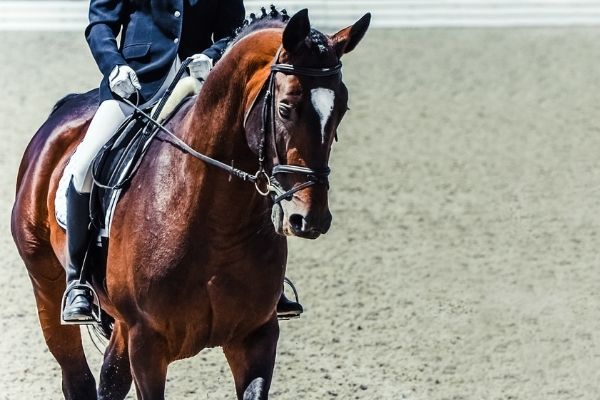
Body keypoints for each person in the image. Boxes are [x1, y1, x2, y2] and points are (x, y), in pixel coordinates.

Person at [62, 0, 303, 323]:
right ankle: (78, 281)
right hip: (136, 83)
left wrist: (213, 55)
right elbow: (101, 24)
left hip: (203, 87)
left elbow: (234, 29)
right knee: (85, 164)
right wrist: (114, 65)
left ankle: (270, 281)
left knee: (255, 156)